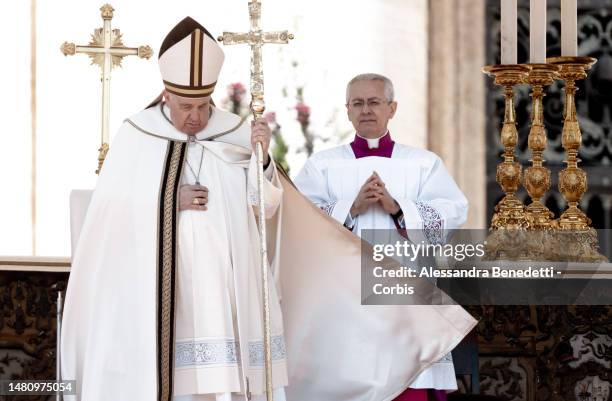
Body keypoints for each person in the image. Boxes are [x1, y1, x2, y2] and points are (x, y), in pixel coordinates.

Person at [61, 17, 288, 401]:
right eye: (185, 105)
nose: (194, 117)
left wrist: (263, 160)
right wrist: (168, 198)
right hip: (163, 288)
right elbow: (109, 214)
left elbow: (263, 211)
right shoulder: (137, 133)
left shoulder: (234, 131)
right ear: (166, 94)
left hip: (225, 288)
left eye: (201, 105)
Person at [294, 73, 470, 401]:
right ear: (347, 110)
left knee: (408, 385)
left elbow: (454, 211)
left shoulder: (423, 164)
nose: (366, 110)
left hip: (406, 296)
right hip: (344, 299)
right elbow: (299, 218)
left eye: (374, 102)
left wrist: (398, 208)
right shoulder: (323, 165)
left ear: (392, 108)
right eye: (357, 103)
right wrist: (350, 208)